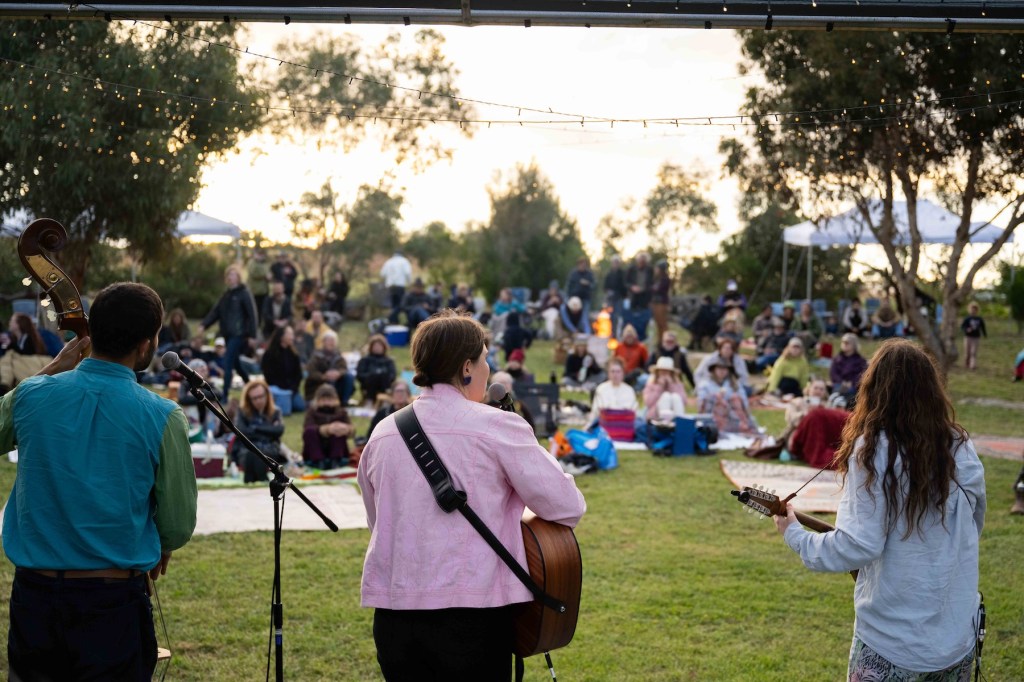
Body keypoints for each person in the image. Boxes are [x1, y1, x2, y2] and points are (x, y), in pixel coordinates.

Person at [357, 310, 586, 680]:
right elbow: (567, 506)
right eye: (484, 360)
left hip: (395, 619)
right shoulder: (497, 425)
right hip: (471, 618)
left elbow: (378, 522)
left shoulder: (382, 433)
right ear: (466, 367)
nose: (487, 369)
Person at [0, 282, 197, 681]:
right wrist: (160, 542)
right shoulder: (163, 415)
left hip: (35, 598)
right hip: (113, 602)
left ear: (92, 330)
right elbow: (176, 525)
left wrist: (51, 369)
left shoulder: (31, 397)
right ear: (146, 345)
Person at [775, 339, 985, 680]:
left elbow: (857, 545)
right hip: (954, 638)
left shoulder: (875, 451)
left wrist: (794, 535)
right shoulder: (959, 445)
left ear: (875, 389)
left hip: (896, 643)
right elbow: (972, 526)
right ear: (931, 390)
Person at [198, 264, 258, 399]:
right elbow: (215, 312)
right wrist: (204, 324)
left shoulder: (244, 293)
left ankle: (224, 394)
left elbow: (252, 315)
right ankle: (251, 386)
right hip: (227, 334)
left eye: (233, 275)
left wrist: (252, 335)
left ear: (238, 277)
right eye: (228, 275)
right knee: (235, 363)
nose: (230, 278)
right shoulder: (226, 295)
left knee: (228, 360)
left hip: (239, 334)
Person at [234, 378, 286, 484]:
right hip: (248, 450)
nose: (258, 400)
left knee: (262, 456)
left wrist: (255, 428)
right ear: (249, 399)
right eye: (254, 398)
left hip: (270, 449)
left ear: (267, 395)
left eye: (261, 396)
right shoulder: (242, 412)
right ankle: (258, 481)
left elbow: (279, 430)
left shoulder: (275, 411)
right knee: (252, 455)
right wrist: (267, 430)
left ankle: (259, 481)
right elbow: (242, 432)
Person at [696, 357, 759, 435]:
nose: (722, 371)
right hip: (714, 415)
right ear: (714, 370)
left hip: (733, 416)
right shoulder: (705, 384)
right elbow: (702, 403)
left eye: (724, 369)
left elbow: (743, 400)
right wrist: (717, 398)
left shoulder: (734, 384)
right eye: (719, 368)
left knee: (735, 399)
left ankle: (739, 426)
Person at [302, 384, 353, 470]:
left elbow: (351, 430)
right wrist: (325, 430)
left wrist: (346, 429)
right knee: (310, 431)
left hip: (336, 448)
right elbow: (307, 429)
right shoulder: (312, 412)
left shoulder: (341, 412)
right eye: (323, 400)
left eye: (329, 399)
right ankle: (318, 461)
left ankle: (336, 460)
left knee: (338, 431)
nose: (326, 402)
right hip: (317, 448)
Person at [260, 325, 306, 413]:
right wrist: (282, 387)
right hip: (277, 388)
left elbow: (298, 374)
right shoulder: (270, 354)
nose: (292, 337)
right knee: (285, 410)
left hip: (291, 389)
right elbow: (268, 374)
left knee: (300, 406)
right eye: (289, 334)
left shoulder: (293, 354)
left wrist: (293, 388)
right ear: (281, 336)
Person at [304, 330, 355, 405]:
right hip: (319, 384)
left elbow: (344, 368)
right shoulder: (316, 356)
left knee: (349, 377)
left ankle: (344, 401)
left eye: (333, 340)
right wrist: (324, 376)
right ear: (323, 342)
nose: (331, 343)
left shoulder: (338, 356)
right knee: (330, 381)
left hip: (337, 382)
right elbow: (311, 372)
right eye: (329, 340)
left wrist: (338, 373)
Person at [589, 356, 639, 423]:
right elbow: (595, 411)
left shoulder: (629, 390)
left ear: (623, 373)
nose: (615, 375)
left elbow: (633, 411)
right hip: (604, 424)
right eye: (612, 371)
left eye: (618, 371)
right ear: (608, 373)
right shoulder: (601, 389)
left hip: (624, 424)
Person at [642, 356, 688, 422]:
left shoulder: (677, 384)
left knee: (675, 397)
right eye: (662, 370)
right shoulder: (651, 384)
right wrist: (659, 387)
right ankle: (664, 423)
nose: (664, 373)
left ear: (671, 372)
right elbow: (648, 403)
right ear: (657, 371)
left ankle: (680, 423)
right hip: (655, 415)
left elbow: (684, 401)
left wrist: (672, 385)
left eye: (667, 371)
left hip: (675, 411)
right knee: (666, 396)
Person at [356, 334, 398, 405]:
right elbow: (360, 375)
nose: (377, 348)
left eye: (379, 346)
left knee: (383, 376)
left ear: (384, 347)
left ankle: (385, 400)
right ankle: (370, 400)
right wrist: (372, 375)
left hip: (385, 384)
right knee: (374, 376)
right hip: (369, 384)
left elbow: (392, 375)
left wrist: (381, 376)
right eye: (375, 346)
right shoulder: (365, 360)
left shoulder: (389, 361)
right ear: (371, 347)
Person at [830, 333, 868, 407]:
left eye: (847, 342)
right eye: (843, 342)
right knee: (837, 392)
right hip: (839, 384)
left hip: (854, 386)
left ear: (853, 345)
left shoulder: (860, 360)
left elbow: (862, 374)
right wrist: (841, 382)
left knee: (851, 395)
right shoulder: (837, 359)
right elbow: (833, 373)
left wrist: (852, 382)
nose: (844, 344)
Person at [624, 252, 654, 342]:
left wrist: (644, 289)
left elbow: (652, 284)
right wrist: (632, 287)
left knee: (644, 318)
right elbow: (626, 282)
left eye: (643, 261)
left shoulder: (650, 270)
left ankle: (642, 337)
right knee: (631, 318)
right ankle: (631, 336)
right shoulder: (631, 269)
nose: (642, 263)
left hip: (645, 298)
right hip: (633, 298)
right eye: (640, 261)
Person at [380, 250, 414, 324]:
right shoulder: (404, 261)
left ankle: (394, 321)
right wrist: (409, 283)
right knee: (400, 305)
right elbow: (408, 273)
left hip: (390, 286)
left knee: (393, 304)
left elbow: (382, 274)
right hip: (400, 286)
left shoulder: (388, 261)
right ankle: (390, 318)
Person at [602, 255, 629, 338]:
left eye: (617, 262)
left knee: (619, 316)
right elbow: (605, 286)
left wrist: (624, 296)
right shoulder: (609, 274)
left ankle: (620, 334)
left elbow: (625, 286)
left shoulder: (622, 274)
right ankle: (612, 333)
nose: (615, 264)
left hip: (619, 298)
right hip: (611, 299)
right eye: (614, 262)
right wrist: (608, 292)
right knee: (611, 316)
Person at [565, 257, 595, 327]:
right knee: (574, 316)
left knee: (584, 316)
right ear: (578, 264)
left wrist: (588, 284)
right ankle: (574, 331)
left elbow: (594, 285)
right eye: (581, 264)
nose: (583, 266)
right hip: (575, 299)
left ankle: (585, 333)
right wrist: (568, 297)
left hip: (585, 299)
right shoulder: (573, 274)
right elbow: (568, 286)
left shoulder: (589, 274)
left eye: (584, 264)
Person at [246, 248, 271, 328]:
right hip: (255, 292)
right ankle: (254, 326)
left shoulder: (264, 264)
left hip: (264, 291)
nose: (260, 256)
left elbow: (268, 273)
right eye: (259, 254)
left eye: (262, 254)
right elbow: (254, 273)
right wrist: (265, 275)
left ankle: (259, 325)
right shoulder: (252, 263)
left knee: (262, 311)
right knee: (254, 310)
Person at [650, 260, 672, 343]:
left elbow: (658, 290)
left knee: (663, 324)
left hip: (661, 303)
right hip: (656, 303)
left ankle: (666, 340)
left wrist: (651, 288)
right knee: (658, 324)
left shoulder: (665, 279)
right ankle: (660, 341)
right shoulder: (657, 279)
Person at [961, 302, 987, 371]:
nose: (973, 311)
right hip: (968, 337)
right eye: (972, 309)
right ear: (969, 310)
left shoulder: (979, 319)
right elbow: (962, 327)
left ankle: (972, 365)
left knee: (973, 352)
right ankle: (966, 364)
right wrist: (967, 330)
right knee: (967, 352)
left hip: (976, 337)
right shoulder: (967, 319)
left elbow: (983, 327)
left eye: (975, 309)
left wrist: (985, 335)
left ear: (977, 310)